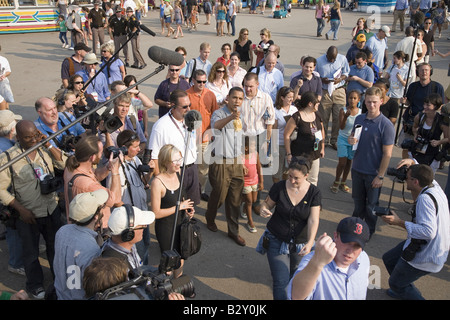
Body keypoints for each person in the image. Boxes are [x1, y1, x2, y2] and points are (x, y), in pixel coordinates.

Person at [0, 120, 66, 299]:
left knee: (55, 247)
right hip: (28, 215)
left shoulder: (45, 147)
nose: (33, 140)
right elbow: (0, 188)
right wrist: (20, 208)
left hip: (51, 209)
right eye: (28, 138)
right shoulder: (8, 158)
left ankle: (58, 279)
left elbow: (64, 164)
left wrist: (49, 144)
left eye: (35, 135)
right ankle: (35, 285)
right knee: (30, 253)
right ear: (18, 137)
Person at [381, 161, 449, 300]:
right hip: (419, 243)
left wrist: (399, 222)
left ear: (416, 181)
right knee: (389, 259)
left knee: (395, 283)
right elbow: (424, 172)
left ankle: (401, 289)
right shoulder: (433, 185)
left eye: (408, 177)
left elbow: (428, 232)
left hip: (427, 253)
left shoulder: (425, 199)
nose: (405, 178)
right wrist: (413, 162)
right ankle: (402, 288)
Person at [256, 157, 321, 300]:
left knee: (296, 278)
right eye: (290, 176)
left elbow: (313, 219)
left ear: (306, 176)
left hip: (301, 245)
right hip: (276, 240)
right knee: (281, 282)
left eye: (296, 178)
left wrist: (310, 243)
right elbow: (266, 204)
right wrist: (263, 208)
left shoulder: (314, 193)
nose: (291, 181)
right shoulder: (279, 187)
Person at [348, 86, 395, 236]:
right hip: (357, 169)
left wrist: (380, 176)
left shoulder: (386, 125)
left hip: (373, 174)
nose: (371, 105)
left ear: (381, 101)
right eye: (368, 102)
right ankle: (355, 229)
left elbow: (387, 154)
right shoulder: (359, 118)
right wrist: (350, 139)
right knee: (358, 203)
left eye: (374, 102)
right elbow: (353, 138)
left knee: (371, 206)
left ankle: (368, 231)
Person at [287, 217, 370, 300]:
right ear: (336, 236)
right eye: (347, 242)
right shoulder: (313, 260)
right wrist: (317, 262)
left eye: (357, 246)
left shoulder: (364, 258)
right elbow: (296, 296)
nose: (350, 251)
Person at [205, 87, 245, 245]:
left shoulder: (241, 116)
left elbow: (239, 139)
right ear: (228, 98)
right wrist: (231, 117)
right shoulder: (220, 113)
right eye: (234, 98)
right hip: (220, 161)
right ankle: (210, 217)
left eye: (240, 99)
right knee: (219, 195)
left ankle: (233, 232)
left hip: (235, 161)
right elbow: (216, 126)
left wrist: (242, 160)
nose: (237, 101)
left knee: (235, 199)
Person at [106, 130, 153, 263]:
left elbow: (144, 182)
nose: (140, 149)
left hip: (142, 212)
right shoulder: (117, 169)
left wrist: (151, 171)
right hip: (132, 221)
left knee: (147, 244)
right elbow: (115, 200)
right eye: (136, 146)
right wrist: (129, 212)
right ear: (125, 148)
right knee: (140, 251)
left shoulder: (135, 160)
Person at [53, 189, 108, 300]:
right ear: (96, 216)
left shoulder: (62, 231)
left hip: (61, 295)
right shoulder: (91, 248)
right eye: (101, 208)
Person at [148, 90, 200, 205]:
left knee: (191, 205)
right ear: (173, 106)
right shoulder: (161, 126)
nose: (189, 110)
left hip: (192, 167)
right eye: (184, 107)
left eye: (189, 105)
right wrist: (161, 181)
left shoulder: (190, 119)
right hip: (174, 171)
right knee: (176, 207)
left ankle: (189, 222)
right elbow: (154, 156)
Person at [150, 144, 194, 276]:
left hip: (181, 224)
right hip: (166, 229)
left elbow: (182, 196)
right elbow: (156, 213)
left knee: (181, 258)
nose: (178, 164)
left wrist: (188, 209)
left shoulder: (178, 172)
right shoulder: (157, 183)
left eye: (179, 159)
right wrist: (179, 207)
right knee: (169, 263)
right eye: (175, 161)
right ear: (165, 162)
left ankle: (178, 285)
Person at [63, 134, 122, 228]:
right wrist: (115, 172)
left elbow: (96, 175)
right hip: (96, 230)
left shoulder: (72, 167)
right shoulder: (87, 185)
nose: (102, 155)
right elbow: (116, 199)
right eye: (101, 152)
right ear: (92, 157)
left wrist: (108, 167)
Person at [399, 63, 445, 158]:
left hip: (429, 123)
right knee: (406, 146)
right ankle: (405, 167)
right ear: (417, 72)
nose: (424, 72)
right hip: (411, 120)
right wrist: (404, 101)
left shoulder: (437, 87)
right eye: (421, 70)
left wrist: (428, 110)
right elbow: (409, 102)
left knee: (424, 149)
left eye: (426, 70)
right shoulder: (413, 86)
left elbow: (441, 105)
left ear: (430, 72)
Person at [187, 69, 219, 200]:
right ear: (193, 80)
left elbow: (214, 114)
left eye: (204, 81)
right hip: (189, 138)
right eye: (199, 81)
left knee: (203, 168)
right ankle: (188, 191)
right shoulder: (186, 95)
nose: (201, 84)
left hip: (205, 138)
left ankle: (201, 190)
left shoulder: (210, 95)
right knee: (189, 166)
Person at [0, 110, 24, 277]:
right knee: (13, 230)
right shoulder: (8, 150)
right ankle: (15, 263)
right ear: (11, 129)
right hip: (9, 196)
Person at [284, 92, 325, 186]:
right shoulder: (296, 117)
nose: (318, 104)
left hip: (314, 154)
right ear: (310, 104)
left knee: (313, 180)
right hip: (299, 156)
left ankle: (310, 199)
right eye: (317, 102)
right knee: (297, 181)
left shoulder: (317, 115)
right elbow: (286, 135)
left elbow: (322, 131)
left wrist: (322, 147)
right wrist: (289, 154)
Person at [315, 46, 349, 150]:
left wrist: (340, 79)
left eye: (334, 58)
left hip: (338, 90)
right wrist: (322, 80)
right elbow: (315, 75)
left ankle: (335, 140)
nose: (332, 60)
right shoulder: (319, 61)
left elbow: (346, 73)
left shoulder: (342, 59)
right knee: (323, 117)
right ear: (326, 54)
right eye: (330, 58)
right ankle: (324, 140)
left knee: (338, 117)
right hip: (325, 91)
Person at [102, 204, 155, 270]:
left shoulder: (131, 246)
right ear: (129, 234)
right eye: (141, 226)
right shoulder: (113, 265)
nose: (145, 227)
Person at [330, 90, 361, 194]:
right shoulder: (342, 110)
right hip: (343, 139)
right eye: (350, 98)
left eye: (354, 98)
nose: (352, 100)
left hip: (353, 141)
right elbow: (342, 127)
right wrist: (346, 117)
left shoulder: (361, 113)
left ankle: (343, 182)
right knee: (342, 162)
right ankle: (336, 181)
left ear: (358, 100)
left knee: (349, 162)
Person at [408, 93, 448, 171]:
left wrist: (439, 142)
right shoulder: (419, 116)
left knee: (427, 179)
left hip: (432, 155)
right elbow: (414, 127)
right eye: (424, 104)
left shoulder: (441, 121)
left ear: (436, 107)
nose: (425, 107)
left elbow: (448, 138)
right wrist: (416, 135)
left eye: (428, 105)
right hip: (417, 151)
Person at [273, 86, 297, 183]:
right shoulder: (276, 111)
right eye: (289, 97)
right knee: (277, 171)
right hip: (279, 144)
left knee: (287, 170)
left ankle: (285, 189)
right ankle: (276, 190)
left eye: (292, 97)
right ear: (282, 98)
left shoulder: (294, 109)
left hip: (292, 144)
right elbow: (273, 130)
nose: (291, 99)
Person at [242, 135, 263, 234]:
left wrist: (261, 181)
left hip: (255, 181)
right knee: (250, 201)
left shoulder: (255, 154)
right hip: (245, 182)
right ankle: (250, 222)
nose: (254, 147)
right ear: (246, 148)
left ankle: (244, 207)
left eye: (255, 145)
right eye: (252, 146)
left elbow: (259, 168)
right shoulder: (241, 157)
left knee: (253, 200)